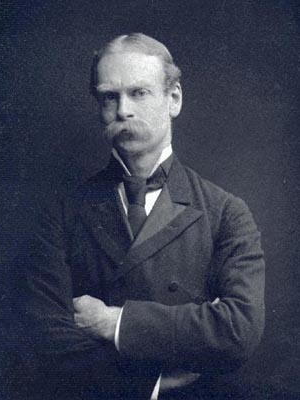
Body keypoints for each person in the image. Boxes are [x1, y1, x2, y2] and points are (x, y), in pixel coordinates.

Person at [22, 33, 265, 400]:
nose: (123, 110)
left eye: (138, 93)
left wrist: (114, 322)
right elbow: (43, 339)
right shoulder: (61, 210)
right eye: (109, 97)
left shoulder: (225, 212)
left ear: (174, 99)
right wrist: (149, 384)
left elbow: (237, 331)